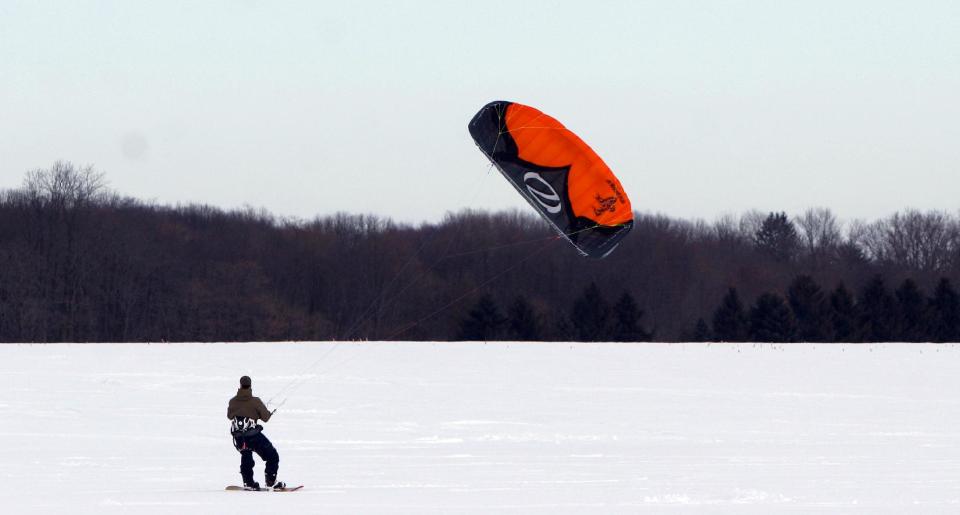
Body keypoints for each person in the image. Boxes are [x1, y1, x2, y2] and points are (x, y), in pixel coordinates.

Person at [228, 375, 284, 490]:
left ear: (240, 385)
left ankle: (248, 483)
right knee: (272, 456)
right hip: (253, 436)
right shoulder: (255, 401)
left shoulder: (232, 401)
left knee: (246, 455)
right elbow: (266, 418)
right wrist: (266, 412)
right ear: (250, 386)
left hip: (239, 438)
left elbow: (229, 416)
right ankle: (271, 482)